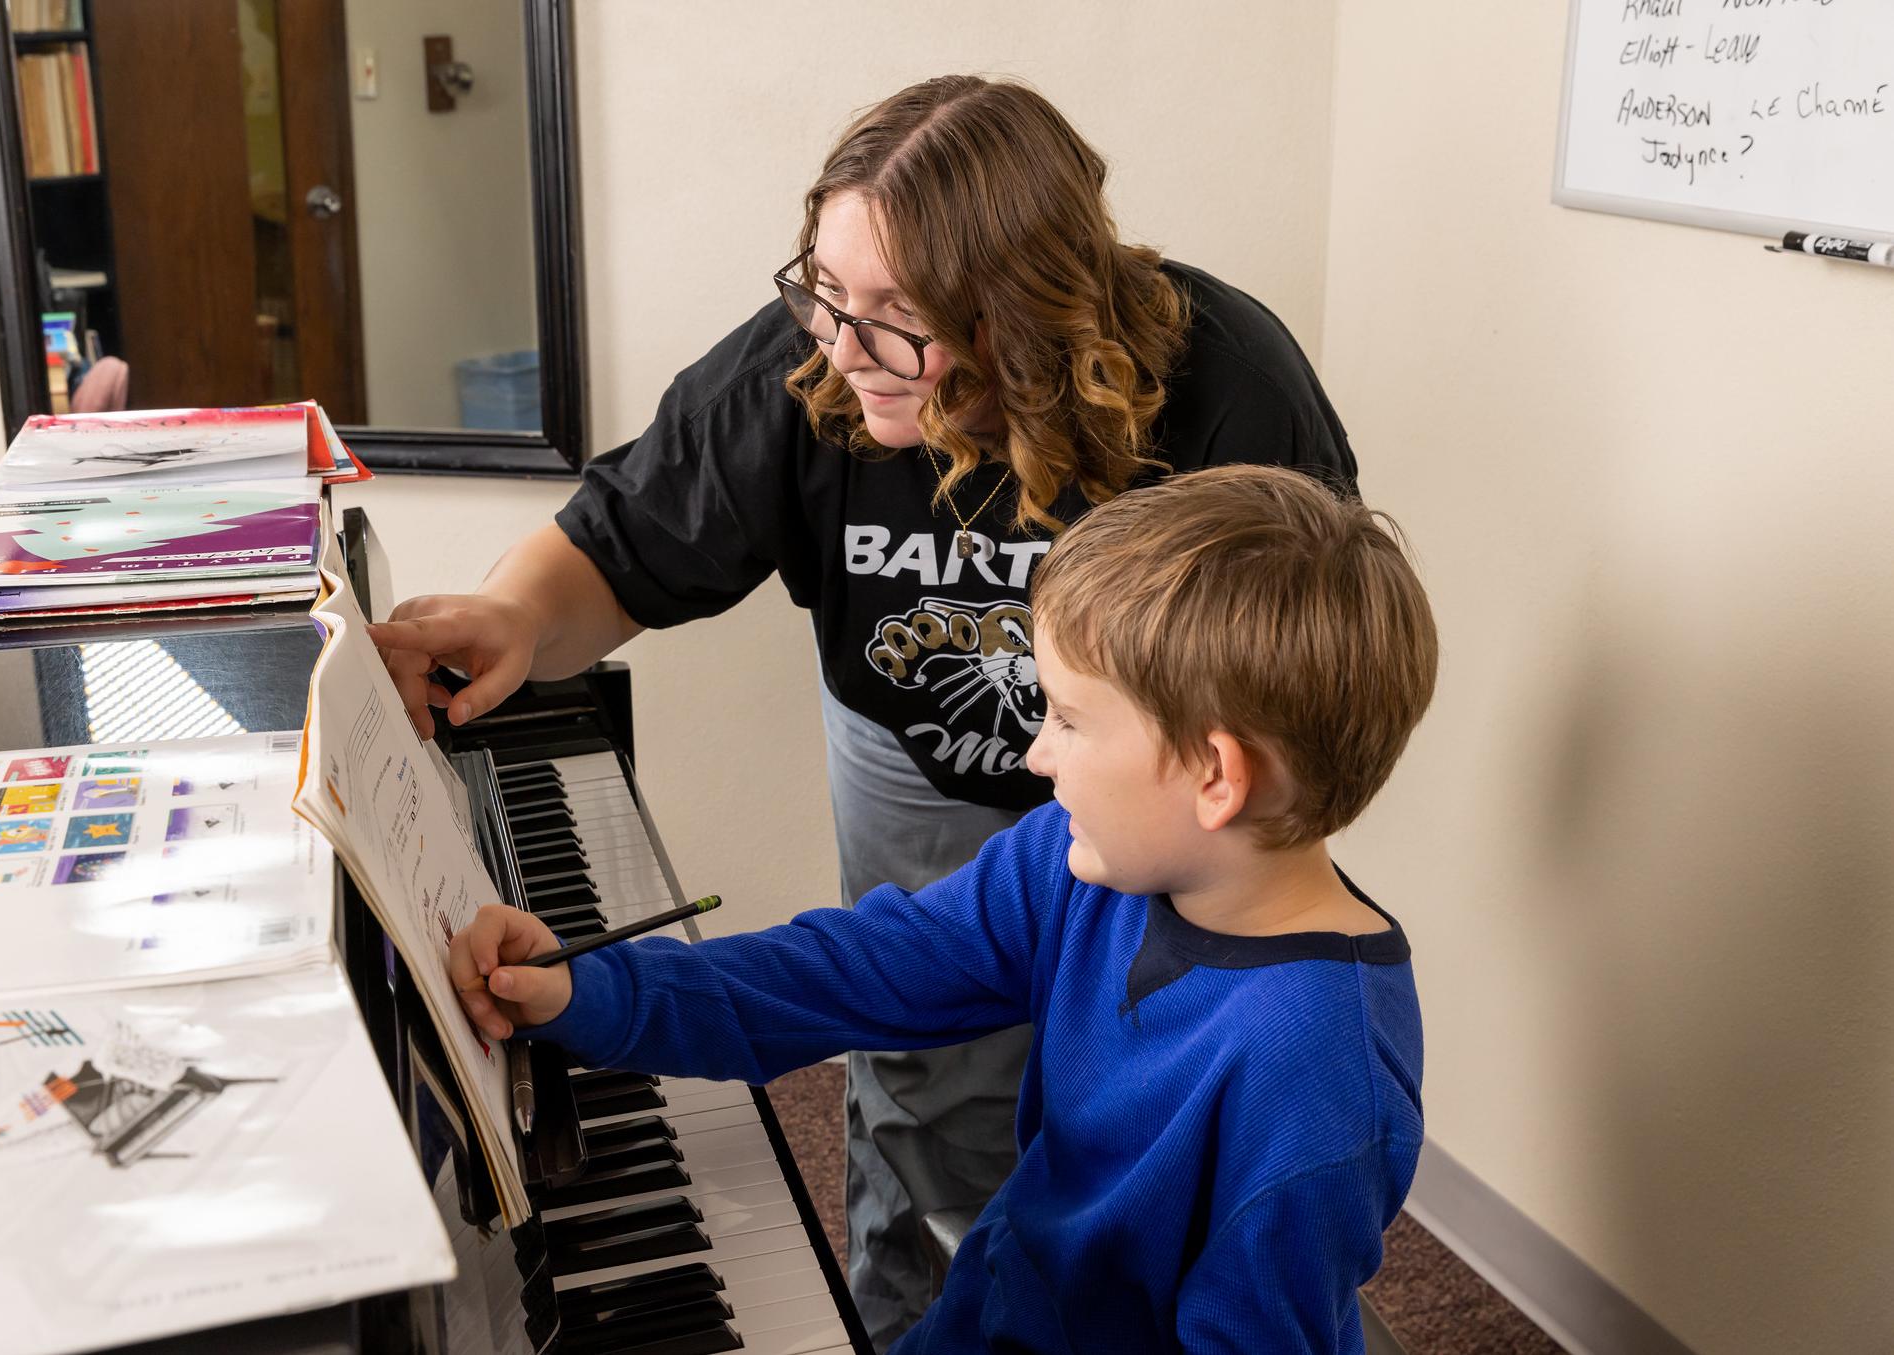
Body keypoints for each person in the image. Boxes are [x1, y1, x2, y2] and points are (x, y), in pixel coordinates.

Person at [370, 74, 1358, 1348]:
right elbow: (622, 544)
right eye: (829, 291)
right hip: (912, 747)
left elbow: (1299, 672)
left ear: (1028, 312)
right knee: (923, 1077)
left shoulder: (1229, 383)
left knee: (1156, 1108)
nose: (840, 345)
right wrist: (512, 615)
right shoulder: (821, 353)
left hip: (1169, 790)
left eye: (900, 315)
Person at [450, 465, 1439, 1353]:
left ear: (1214, 776)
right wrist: (588, 985)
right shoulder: (1075, 863)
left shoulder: (1316, 1070)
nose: (1034, 753)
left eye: (1068, 719)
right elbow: (856, 967)